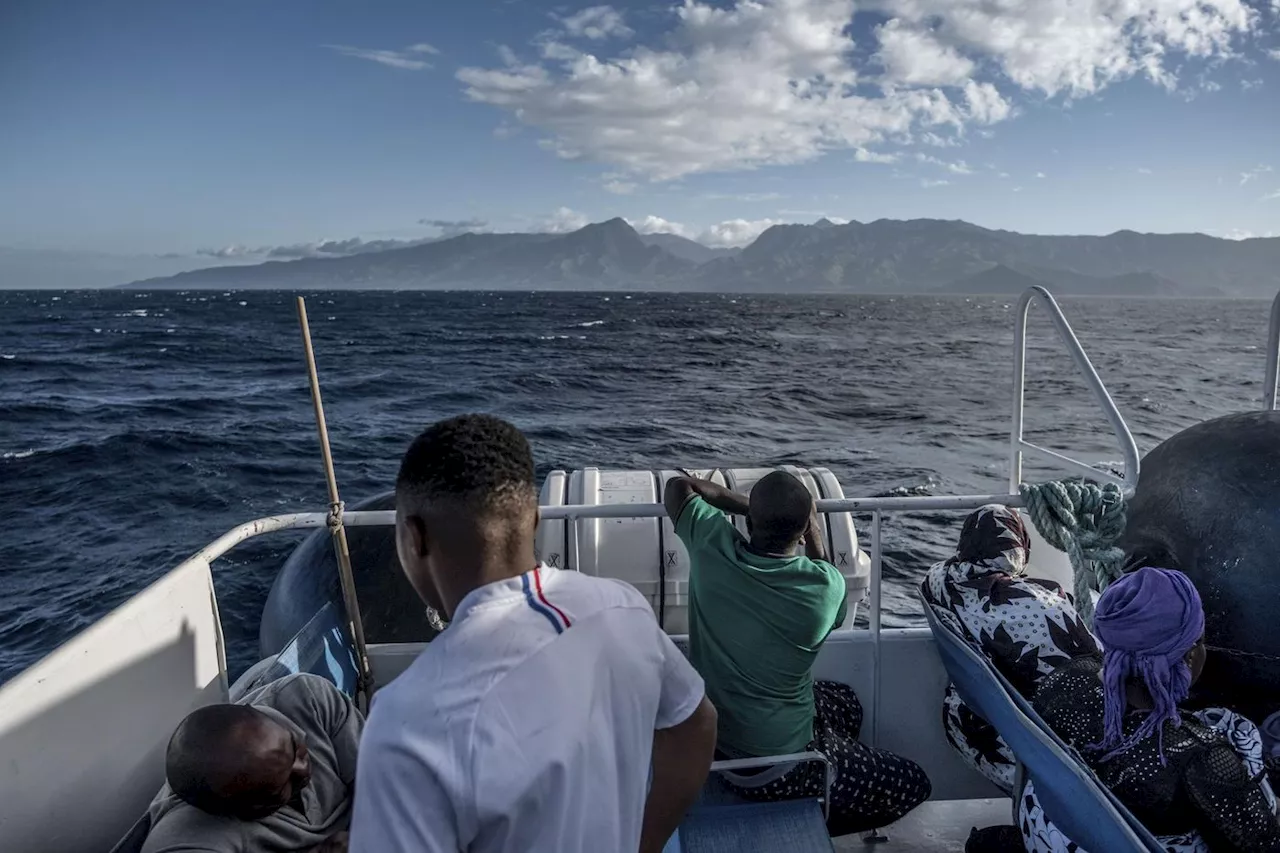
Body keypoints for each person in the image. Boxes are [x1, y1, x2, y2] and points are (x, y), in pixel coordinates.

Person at [349, 414, 717, 853]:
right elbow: (697, 723)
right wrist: (647, 842)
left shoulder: (407, 721)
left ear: (413, 537)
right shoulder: (622, 609)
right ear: (536, 519)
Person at [664, 470, 930, 836]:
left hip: (714, 745)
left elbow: (678, 487)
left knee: (845, 702)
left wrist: (752, 507)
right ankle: (802, 813)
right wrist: (813, 529)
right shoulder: (825, 586)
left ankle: (823, 777)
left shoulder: (712, 545)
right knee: (914, 784)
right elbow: (833, 604)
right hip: (778, 766)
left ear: (748, 519)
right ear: (803, 528)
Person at [1022, 567, 1280, 853]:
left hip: (1050, 836)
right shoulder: (1203, 759)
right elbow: (1263, 845)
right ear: (1191, 654)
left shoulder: (1063, 678)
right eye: (1200, 639)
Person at [921, 504, 1098, 794]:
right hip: (1028, 745)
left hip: (970, 726)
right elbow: (1091, 661)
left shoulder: (940, 580)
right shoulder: (1039, 605)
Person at [141, 673, 362, 853]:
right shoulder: (189, 835)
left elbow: (382, 779)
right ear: (241, 808)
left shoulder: (306, 698)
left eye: (295, 749)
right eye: (280, 787)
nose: (304, 770)